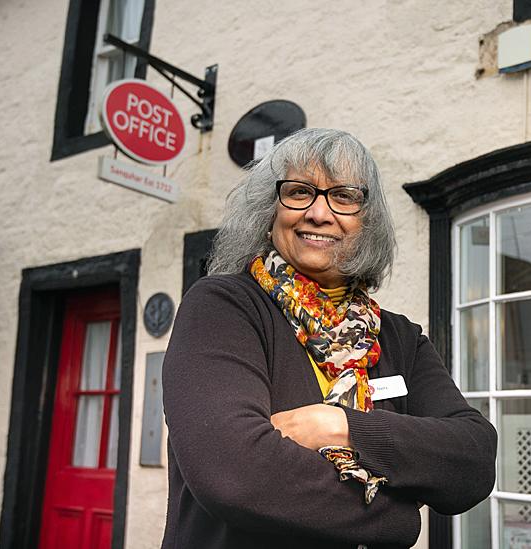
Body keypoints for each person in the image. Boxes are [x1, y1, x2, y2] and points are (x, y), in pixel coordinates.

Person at [161, 128, 496, 549]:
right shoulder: (223, 307)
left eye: (344, 197)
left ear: (366, 222)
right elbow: (235, 474)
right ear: (269, 212)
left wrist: (339, 426)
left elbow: (473, 459)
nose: (319, 213)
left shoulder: (398, 337)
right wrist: (398, 519)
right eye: (300, 192)